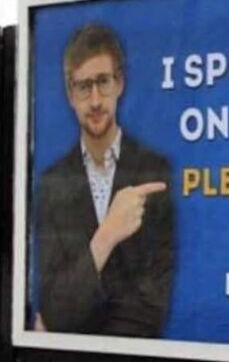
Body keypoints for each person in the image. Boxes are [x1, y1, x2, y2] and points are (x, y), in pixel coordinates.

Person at [36, 22, 174, 336]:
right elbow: (52, 304)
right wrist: (106, 236)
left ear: (120, 83)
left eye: (103, 82)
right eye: (84, 86)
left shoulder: (155, 172)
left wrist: (72, 326)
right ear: (70, 94)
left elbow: (152, 307)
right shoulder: (52, 183)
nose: (95, 100)